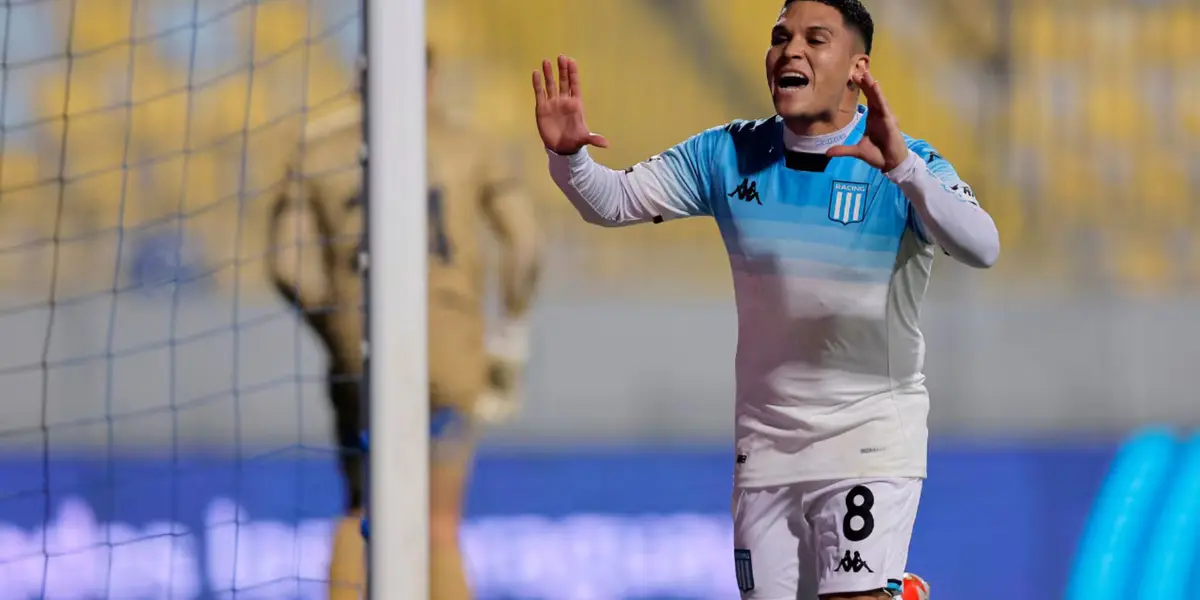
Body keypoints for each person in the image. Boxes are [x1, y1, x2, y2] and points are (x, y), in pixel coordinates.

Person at [531, 0, 998, 598]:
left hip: (871, 433)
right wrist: (569, 159)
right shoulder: (727, 154)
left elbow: (982, 247)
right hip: (767, 447)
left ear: (859, 68)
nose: (790, 50)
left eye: (815, 38)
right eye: (780, 36)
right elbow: (613, 201)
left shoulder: (905, 162)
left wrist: (904, 168)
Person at [267, 46, 541, 600]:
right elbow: (527, 245)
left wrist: (336, 328)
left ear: (359, 80)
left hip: (359, 349)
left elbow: (286, 264)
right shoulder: (472, 144)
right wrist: (509, 336)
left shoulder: (317, 150)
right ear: (432, 80)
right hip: (451, 351)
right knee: (440, 523)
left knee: (360, 507)